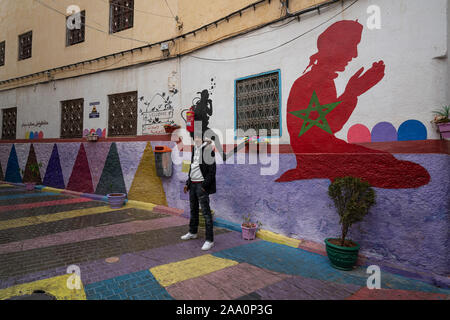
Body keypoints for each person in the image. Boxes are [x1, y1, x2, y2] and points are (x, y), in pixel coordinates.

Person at [276, 20, 430, 189]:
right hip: (319, 159)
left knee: (387, 161)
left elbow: (325, 126)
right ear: (333, 46)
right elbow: (328, 126)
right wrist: (353, 92)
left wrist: (353, 92)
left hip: (323, 154)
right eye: (352, 45)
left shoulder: (318, 80)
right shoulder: (315, 81)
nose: (355, 54)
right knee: (393, 168)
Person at [181, 133, 216, 250]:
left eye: (198, 137)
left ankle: (209, 240)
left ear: (202, 139)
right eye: (194, 137)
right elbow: (193, 167)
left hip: (201, 185)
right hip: (193, 184)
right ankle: (192, 232)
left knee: (206, 213)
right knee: (193, 210)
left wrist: (204, 186)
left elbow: (212, 172)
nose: (195, 139)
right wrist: (188, 183)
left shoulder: (208, 150)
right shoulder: (194, 149)